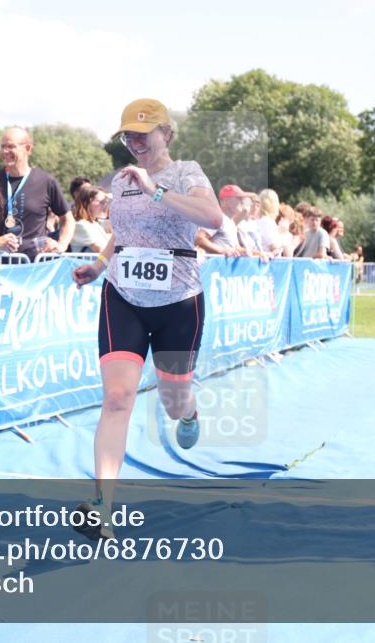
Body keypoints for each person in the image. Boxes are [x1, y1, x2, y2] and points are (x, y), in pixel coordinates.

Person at [70, 98, 222, 540]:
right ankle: (102, 506)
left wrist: (155, 189)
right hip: (124, 297)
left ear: (166, 134)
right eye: (128, 136)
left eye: (143, 134)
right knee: (118, 397)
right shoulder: (122, 181)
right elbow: (123, 233)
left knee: (173, 400)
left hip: (179, 302)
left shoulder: (187, 173)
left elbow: (212, 217)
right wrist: (99, 265)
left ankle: (189, 412)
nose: (135, 143)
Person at [0, 127, 74, 260]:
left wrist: (61, 245)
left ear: (27, 149)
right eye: (2, 147)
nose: (5, 151)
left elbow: (68, 219)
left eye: (10, 146)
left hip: (35, 265)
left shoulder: (45, 181)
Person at [195, 184, 249, 256]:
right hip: (214, 263)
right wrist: (222, 251)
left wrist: (246, 251)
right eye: (239, 198)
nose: (242, 201)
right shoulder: (217, 218)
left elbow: (234, 247)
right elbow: (199, 238)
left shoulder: (231, 222)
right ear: (226, 200)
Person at [70, 185, 110, 253]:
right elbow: (102, 250)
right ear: (86, 203)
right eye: (101, 202)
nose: (105, 205)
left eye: (105, 202)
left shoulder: (94, 224)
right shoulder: (81, 225)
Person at [252, 188, 282, 256]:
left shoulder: (256, 220)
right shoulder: (267, 222)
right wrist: (282, 235)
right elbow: (275, 247)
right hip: (267, 259)